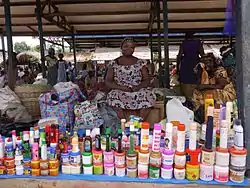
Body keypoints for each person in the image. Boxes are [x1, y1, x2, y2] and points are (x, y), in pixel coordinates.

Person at [105, 38, 156, 120]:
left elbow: (146, 79)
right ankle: (124, 123)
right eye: (126, 46)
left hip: (137, 90)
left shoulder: (140, 63)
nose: (129, 49)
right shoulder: (113, 63)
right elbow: (108, 81)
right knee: (112, 97)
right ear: (121, 47)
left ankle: (138, 122)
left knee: (149, 96)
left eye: (132, 47)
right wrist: (121, 87)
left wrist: (138, 87)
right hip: (120, 90)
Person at [177, 32, 205, 100]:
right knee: (196, 79)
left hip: (186, 63)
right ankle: (196, 96)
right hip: (195, 62)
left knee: (186, 80)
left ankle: (187, 97)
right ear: (192, 37)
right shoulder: (198, 43)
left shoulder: (183, 43)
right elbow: (202, 54)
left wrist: (178, 67)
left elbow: (179, 56)